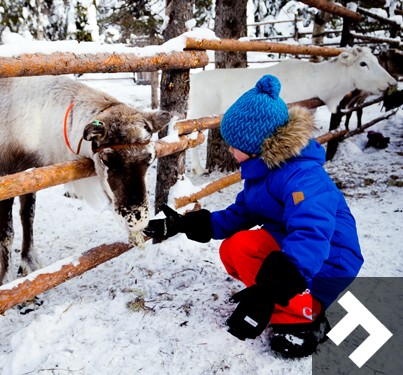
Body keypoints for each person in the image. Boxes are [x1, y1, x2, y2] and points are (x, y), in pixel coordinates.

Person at [143, 75, 363, 358]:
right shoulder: (264, 172)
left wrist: (268, 291)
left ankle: (305, 317)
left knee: (245, 247)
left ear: (256, 144)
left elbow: (312, 234)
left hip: (330, 260)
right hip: (299, 252)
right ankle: (287, 299)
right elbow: (239, 215)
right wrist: (184, 224)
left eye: (234, 145)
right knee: (233, 249)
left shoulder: (303, 177)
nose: (229, 149)